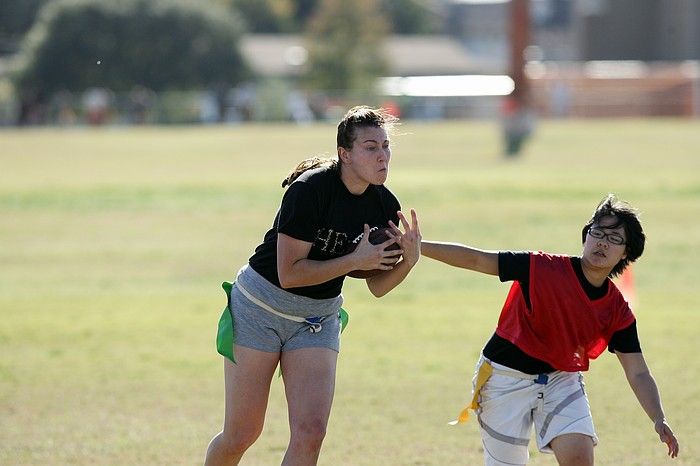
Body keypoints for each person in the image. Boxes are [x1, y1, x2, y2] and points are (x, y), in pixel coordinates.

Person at [204, 106, 421, 466]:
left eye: (386, 146)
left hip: (316, 320)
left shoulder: (384, 203)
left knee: (311, 433)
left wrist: (409, 262)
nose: (382, 155)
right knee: (242, 433)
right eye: (370, 147)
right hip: (260, 307)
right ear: (344, 153)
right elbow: (290, 274)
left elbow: (378, 287)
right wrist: (354, 261)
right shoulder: (309, 191)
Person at [421, 194, 679, 465]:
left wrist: (658, 418)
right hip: (503, 378)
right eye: (597, 232)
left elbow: (637, 371)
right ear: (585, 235)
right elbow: (476, 259)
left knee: (579, 458)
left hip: (560, 378)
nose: (602, 241)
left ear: (626, 253)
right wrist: (417, 246)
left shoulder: (616, 309)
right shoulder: (542, 268)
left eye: (614, 238)